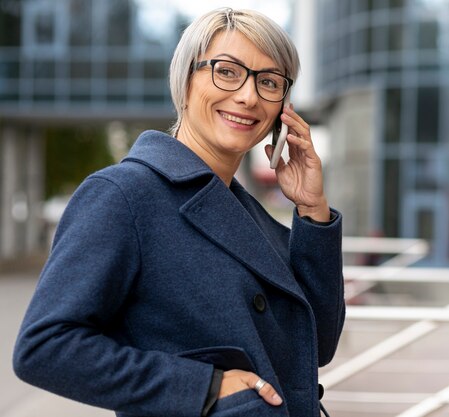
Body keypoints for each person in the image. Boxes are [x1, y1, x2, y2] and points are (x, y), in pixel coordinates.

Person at [13, 8, 345, 417]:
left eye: (269, 82)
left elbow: (316, 347)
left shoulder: (252, 218)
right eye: (227, 71)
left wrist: (313, 211)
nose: (248, 95)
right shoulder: (125, 195)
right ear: (186, 81)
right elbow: (45, 347)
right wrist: (205, 387)